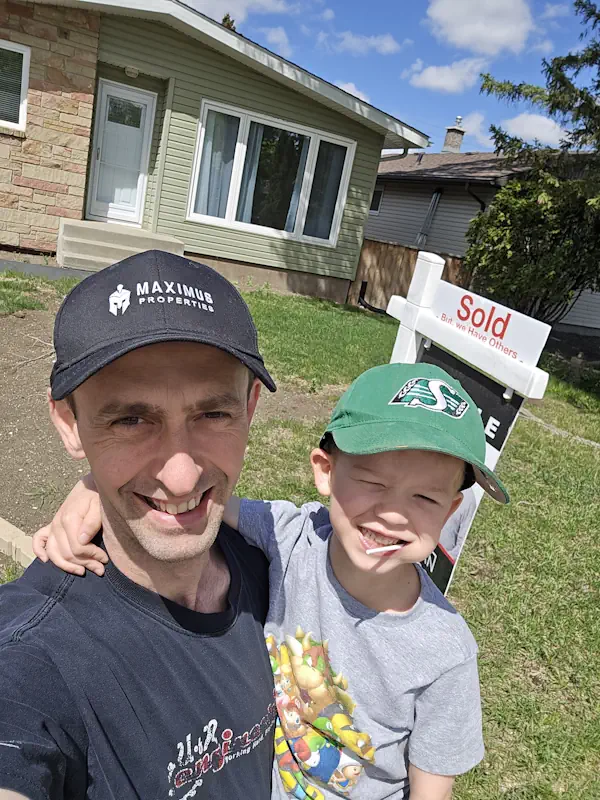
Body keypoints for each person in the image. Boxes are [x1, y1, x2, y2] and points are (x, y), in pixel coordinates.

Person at [35, 362, 510, 800]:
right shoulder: (292, 536)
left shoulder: (445, 652)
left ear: (450, 511)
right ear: (325, 471)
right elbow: (192, 505)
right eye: (374, 482)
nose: (392, 515)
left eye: (425, 498)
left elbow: (432, 789)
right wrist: (94, 488)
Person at [0, 250, 280, 800]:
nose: (181, 478)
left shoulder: (275, 563)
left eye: (212, 414)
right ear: (69, 422)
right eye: (131, 419)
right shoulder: (34, 655)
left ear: (249, 408)